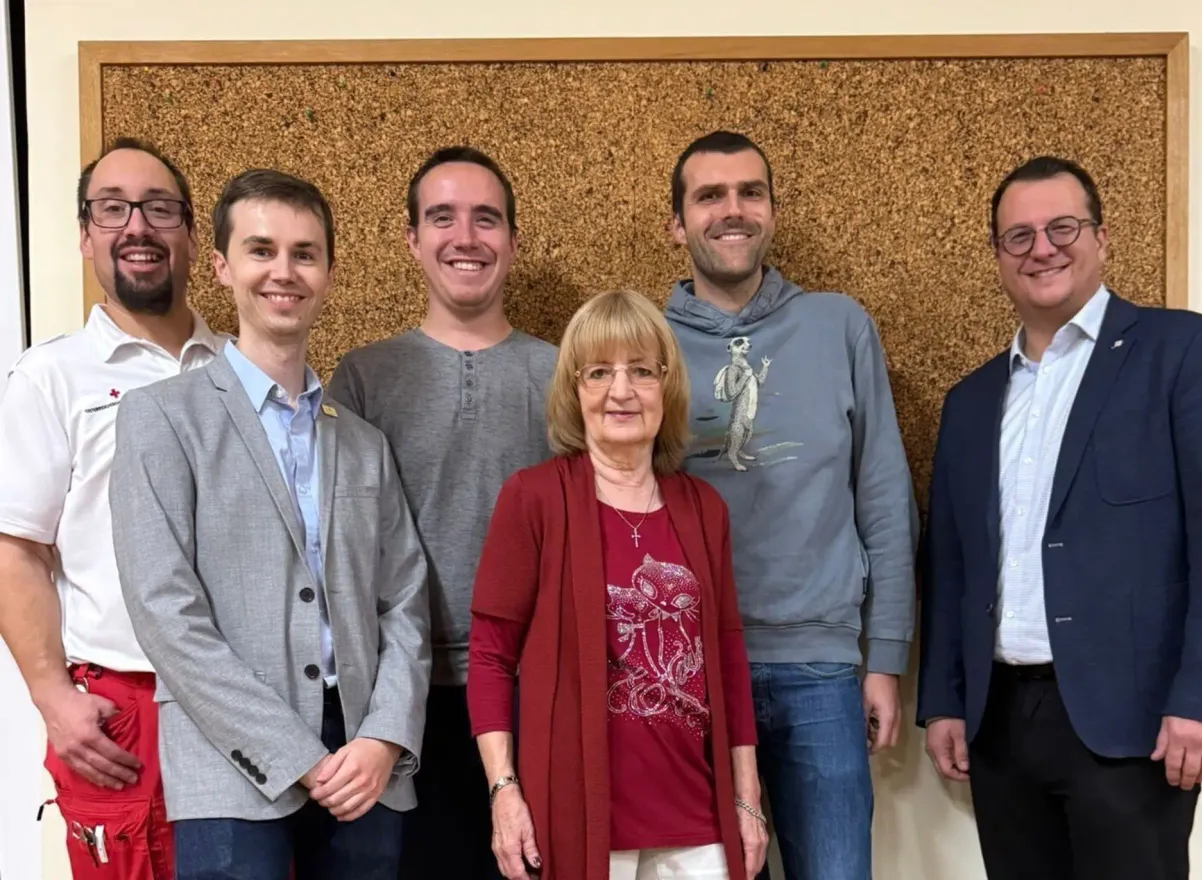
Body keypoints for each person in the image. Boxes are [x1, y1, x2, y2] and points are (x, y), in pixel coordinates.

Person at [915, 155, 1202, 880]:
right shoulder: (972, 401)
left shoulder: (1185, 352)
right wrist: (946, 701)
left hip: (1136, 725)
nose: (1042, 248)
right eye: (1019, 236)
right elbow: (950, 563)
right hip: (1000, 725)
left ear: (1102, 238)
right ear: (998, 257)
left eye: (1062, 227)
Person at [108, 169, 432, 880]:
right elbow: (164, 612)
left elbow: (405, 601)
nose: (283, 272)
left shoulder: (363, 443)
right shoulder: (159, 418)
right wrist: (292, 753)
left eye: (304, 253)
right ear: (220, 265)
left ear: (329, 272)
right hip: (231, 764)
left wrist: (382, 737)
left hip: (362, 766)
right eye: (261, 250)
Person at [661, 130, 919, 880]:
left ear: (772, 211)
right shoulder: (645, 341)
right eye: (710, 196)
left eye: (750, 192)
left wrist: (886, 659)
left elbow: (883, 496)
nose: (732, 210)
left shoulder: (840, 326)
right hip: (685, 674)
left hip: (820, 667)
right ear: (677, 223)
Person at [465, 289, 768, 880]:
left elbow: (728, 661)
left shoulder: (703, 508)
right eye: (599, 371)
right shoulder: (533, 500)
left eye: (641, 371)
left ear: (666, 385)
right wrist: (504, 791)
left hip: (698, 821)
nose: (621, 391)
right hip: (577, 817)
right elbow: (490, 656)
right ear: (575, 391)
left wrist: (747, 797)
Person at [326, 145, 556, 880]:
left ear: (513, 242)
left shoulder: (563, 376)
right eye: (442, 218)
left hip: (532, 696)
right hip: (399, 702)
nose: (465, 237)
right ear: (411, 239)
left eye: (486, 219)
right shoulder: (362, 378)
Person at [0, 137, 227, 879]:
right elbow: (16, 551)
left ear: (192, 234)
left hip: (239, 701)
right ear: (84, 234)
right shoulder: (49, 378)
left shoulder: (243, 370)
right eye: (113, 208)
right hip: (122, 707)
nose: (138, 226)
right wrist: (52, 699)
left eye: (160, 208)